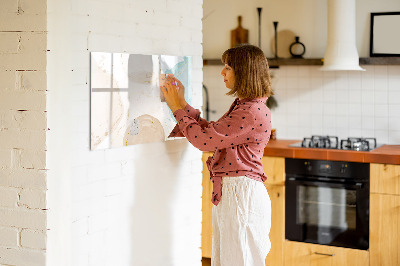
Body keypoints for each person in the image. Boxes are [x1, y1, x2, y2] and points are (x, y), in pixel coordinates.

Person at [161, 44, 273, 266]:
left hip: (241, 195)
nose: (222, 72)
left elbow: (204, 141)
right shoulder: (246, 106)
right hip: (236, 193)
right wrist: (182, 103)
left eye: (228, 67)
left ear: (244, 72)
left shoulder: (250, 111)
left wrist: (176, 108)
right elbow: (212, 133)